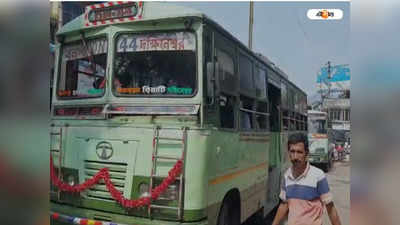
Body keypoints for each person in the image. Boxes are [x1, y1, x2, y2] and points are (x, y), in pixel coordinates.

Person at [272, 133, 342, 225]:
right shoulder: (287, 176)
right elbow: (284, 204)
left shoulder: (318, 176)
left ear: (307, 153)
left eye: (299, 152)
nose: (295, 156)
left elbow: (330, 208)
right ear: (288, 152)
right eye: (292, 151)